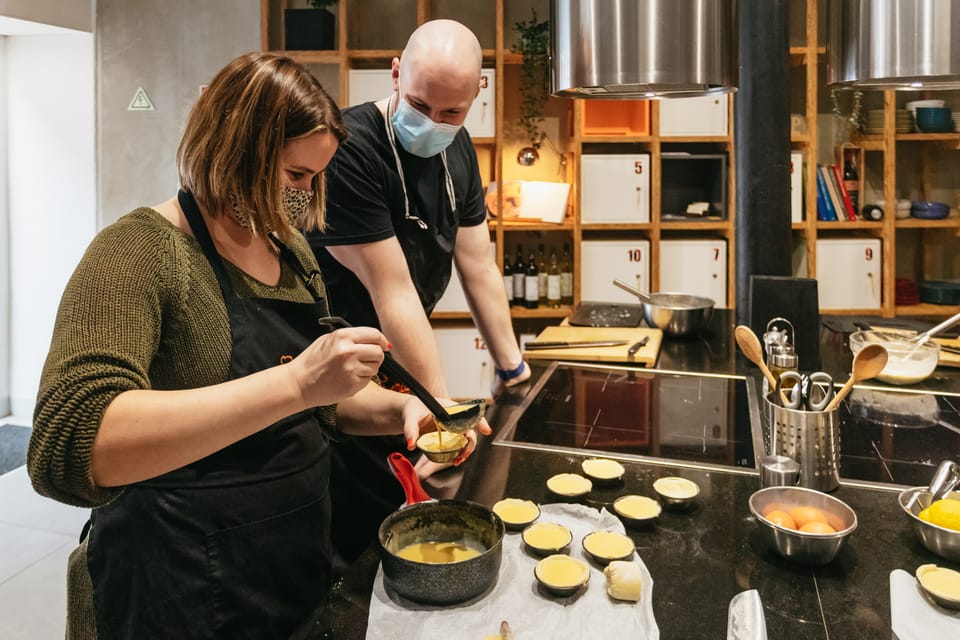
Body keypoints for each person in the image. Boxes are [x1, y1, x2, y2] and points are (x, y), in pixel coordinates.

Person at [27, 52, 483, 639]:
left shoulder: (291, 254)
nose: (307, 195)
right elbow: (70, 444)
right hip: (177, 587)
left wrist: (400, 409)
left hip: (291, 571)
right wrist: (295, 382)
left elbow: (322, 406)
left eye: (316, 177)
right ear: (232, 150)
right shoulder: (137, 253)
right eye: (296, 176)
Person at [304, 19, 530, 562]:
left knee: (407, 516)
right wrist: (442, 415)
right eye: (419, 104)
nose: (432, 122)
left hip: (399, 366)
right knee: (354, 530)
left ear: (478, 93)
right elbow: (394, 292)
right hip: (342, 368)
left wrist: (513, 371)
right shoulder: (350, 149)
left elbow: (479, 265)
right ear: (396, 72)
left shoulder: (459, 152)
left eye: (451, 112)